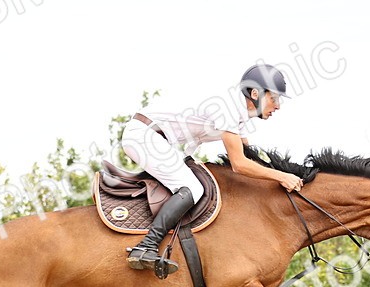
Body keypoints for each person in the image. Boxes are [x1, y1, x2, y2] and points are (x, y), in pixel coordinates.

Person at [119, 63, 305, 270]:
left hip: (160, 141)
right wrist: (282, 176)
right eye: (275, 98)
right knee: (193, 188)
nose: (278, 106)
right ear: (255, 93)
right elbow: (239, 164)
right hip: (145, 137)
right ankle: (147, 246)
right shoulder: (230, 108)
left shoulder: (240, 115)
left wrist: (282, 171)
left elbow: (249, 155)